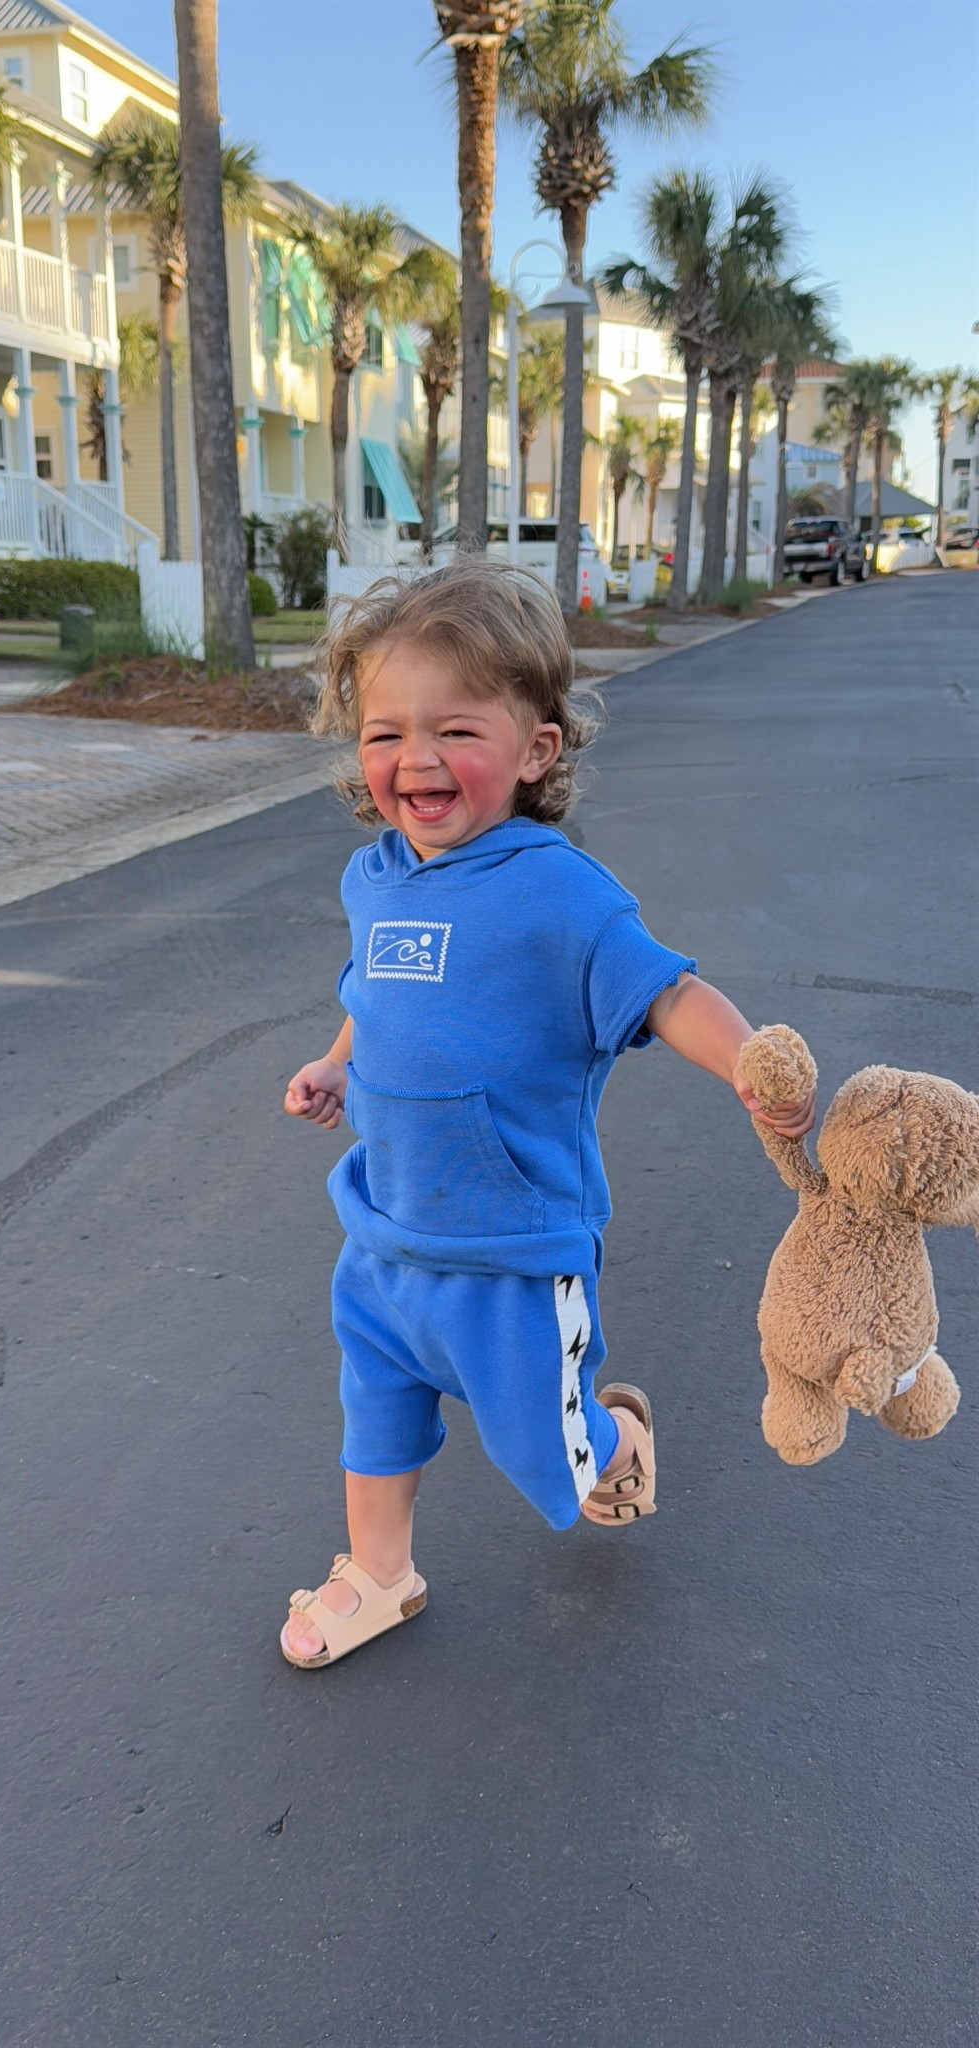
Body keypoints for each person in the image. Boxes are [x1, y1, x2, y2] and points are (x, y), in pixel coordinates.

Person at [280, 562, 814, 1670]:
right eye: (386, 733)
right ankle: (378, 1572)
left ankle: (613, 1435)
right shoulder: (375, 877)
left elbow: (664, 990)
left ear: (535, 750)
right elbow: (369, 996)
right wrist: (336, 1065)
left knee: (553, 1465)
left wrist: (751, 1059)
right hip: (383, 1237)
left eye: (454, 729)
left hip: (512, 1255)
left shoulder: (558, 891)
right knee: (375, 1412)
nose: (415, 760)